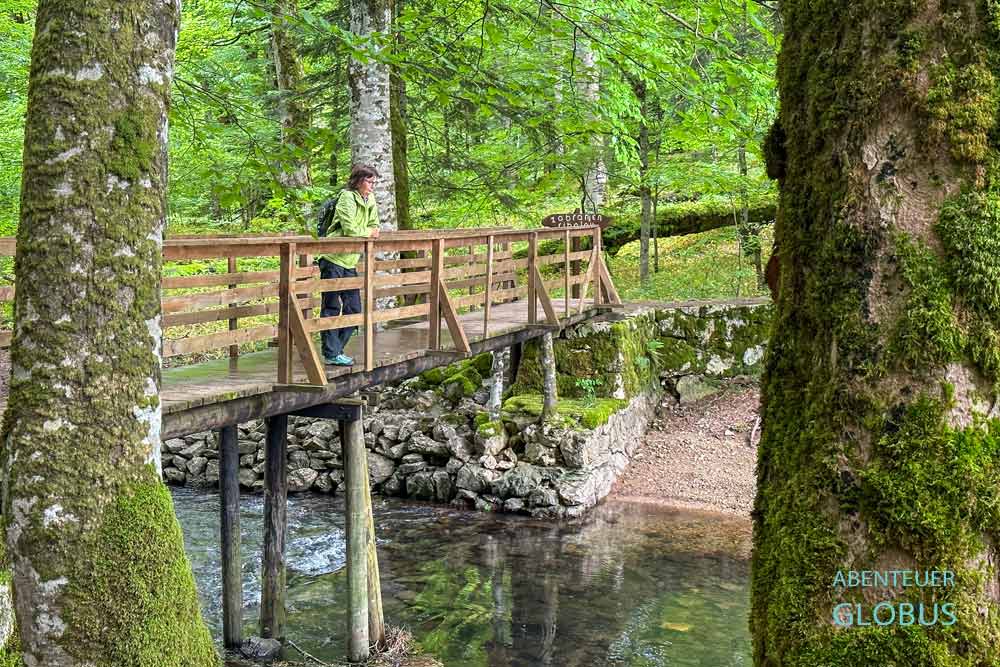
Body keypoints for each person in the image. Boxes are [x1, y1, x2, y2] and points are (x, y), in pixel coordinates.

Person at [319, 165, 381, 365]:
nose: (372, 185)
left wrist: (370, 230)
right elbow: (350, 229)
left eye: (374, 182)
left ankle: (335, 350)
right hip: (333, 258)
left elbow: (375, 225)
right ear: (358, 180)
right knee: (331, 306)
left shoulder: (370, 199)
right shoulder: (347, 197)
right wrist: (368, 232)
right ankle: (332, 353)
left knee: (354, 308)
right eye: (369, 181)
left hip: (350, 260)